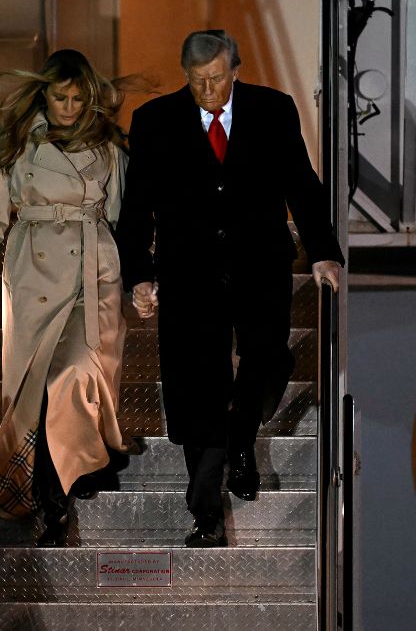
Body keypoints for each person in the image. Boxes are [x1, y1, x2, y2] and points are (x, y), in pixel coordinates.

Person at [116, 30, 344, 548]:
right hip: (188, 271)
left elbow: (302, 184)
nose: (207, 91)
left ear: (235, 69)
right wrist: (139, 275)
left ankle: (242, 434)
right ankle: (205, 514)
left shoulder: (273, 109)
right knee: (198, 388)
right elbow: (136, 207)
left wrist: (323, 251)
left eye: (216, 79)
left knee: (268, 358)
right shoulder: (154, 121)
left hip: (260, 262)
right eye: (197, 82)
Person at [0, 49, 131, 547]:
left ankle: (67, 489)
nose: (69, 106)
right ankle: (59, 499)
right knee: (37, 391)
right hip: (33, 276)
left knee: (73, 373)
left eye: (78, 98)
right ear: (44, 93)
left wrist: (147, 278)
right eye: (60, 96)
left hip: (93, 272)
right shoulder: (18, 144)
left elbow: (128, 219)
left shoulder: (110, 146)